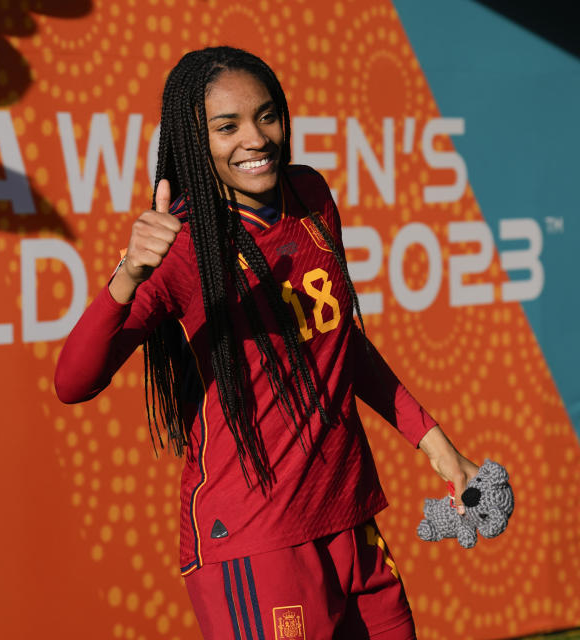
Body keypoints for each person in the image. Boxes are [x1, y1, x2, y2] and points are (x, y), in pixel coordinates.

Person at [54, 46, 478, 640]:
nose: (255, 138)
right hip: (256, 544)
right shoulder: (182, 245)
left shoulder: (311, 195)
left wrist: (436, 445)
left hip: (349, 520)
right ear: (193, 140)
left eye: (267, 115)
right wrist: (126, 276)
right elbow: (72, 383)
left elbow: (338, 345)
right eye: (226, 127)